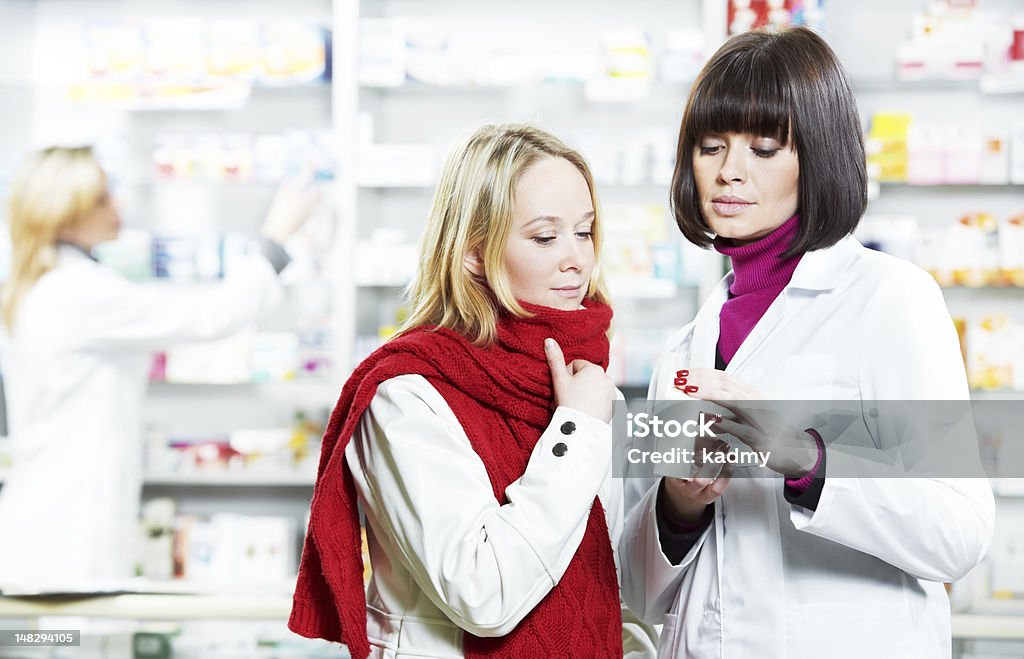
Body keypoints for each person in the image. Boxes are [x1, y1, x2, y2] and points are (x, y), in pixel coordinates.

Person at [618, 27, 995, 658]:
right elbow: (638, 589)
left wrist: (807, 459)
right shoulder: (686, 349)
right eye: (711, 147)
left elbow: (960, 532)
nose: (729, 172)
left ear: (817, 156)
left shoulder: (890, 300)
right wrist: (678, 507)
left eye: (763, 148)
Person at [289, 124, 628, 659]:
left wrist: (681, 505)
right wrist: (580, 431)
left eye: (584, 232)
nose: (577, 260)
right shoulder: (407, 393)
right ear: (473, 251)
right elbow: (482, 594)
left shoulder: (586, 379)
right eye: (545, 237)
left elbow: (613, 574)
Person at [0, 145, 320, 587]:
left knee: (59, 646)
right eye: (102, 197)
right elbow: (213, 316)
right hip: (65, 535)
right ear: (64, 214)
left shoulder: (47, 287)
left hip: (52, 521)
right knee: (66, 646)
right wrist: (275, 236)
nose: (119, 203)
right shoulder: (76, 292)